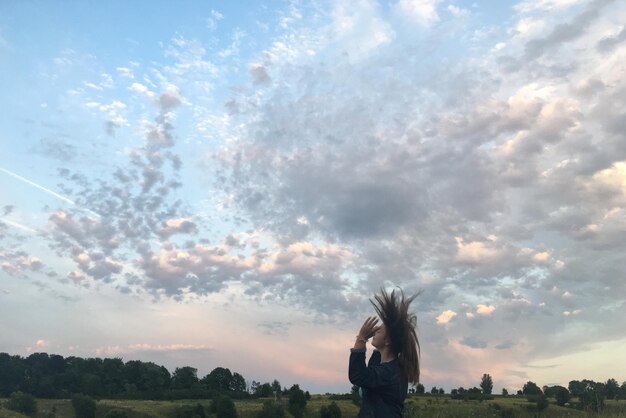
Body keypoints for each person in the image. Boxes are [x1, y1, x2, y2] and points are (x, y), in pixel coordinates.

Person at [349, 288, 420, 417]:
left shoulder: (389, 373)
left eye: (379, 331)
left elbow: (357, 375)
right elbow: (371, 368)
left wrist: (361, 338)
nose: (375, 331)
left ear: (388, 341)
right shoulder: (388, 367)